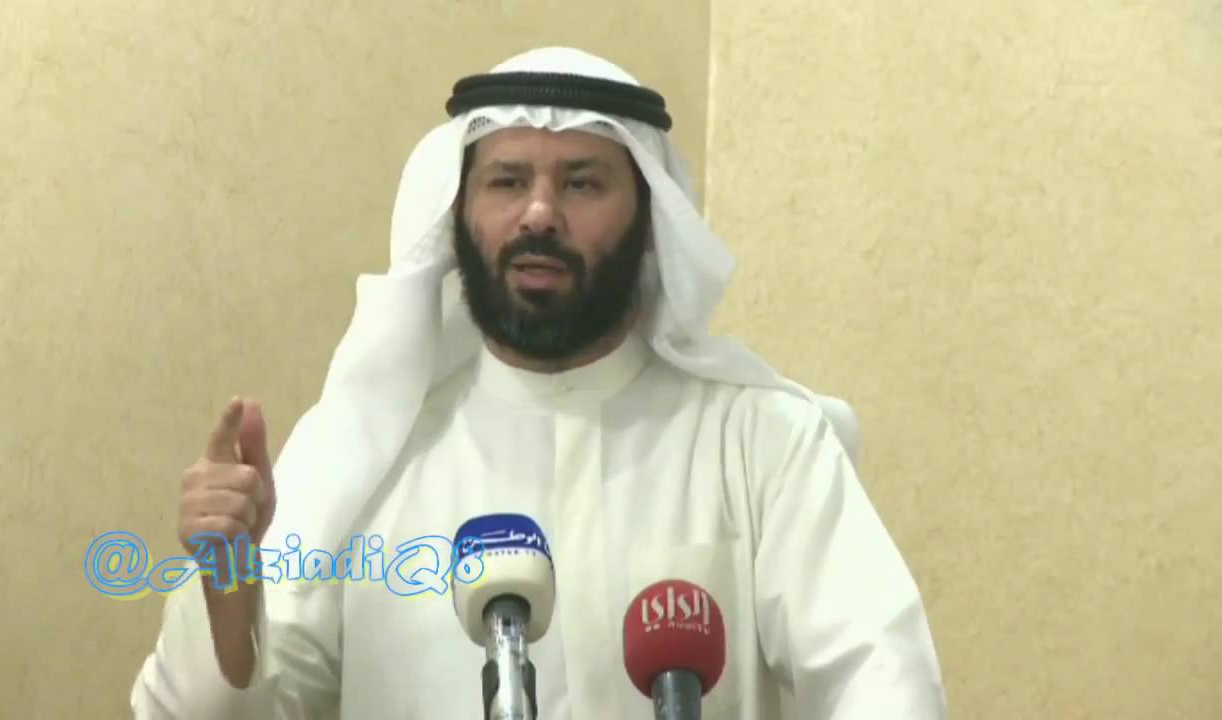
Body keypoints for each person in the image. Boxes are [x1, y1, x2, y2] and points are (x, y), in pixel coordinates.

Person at [129, 46, 948, 719]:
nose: (539, 214)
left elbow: (883, 679)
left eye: (582, 182)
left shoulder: (760, 441)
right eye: (507, 181)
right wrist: (228, 586)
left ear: (650, 221)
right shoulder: (370, 452)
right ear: (458, 215)